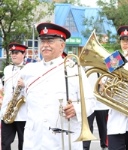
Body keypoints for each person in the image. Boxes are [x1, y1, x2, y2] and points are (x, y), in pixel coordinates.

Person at [19, 22, 96, 150]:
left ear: (62, 45)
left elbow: (91, 101)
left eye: (50, 41)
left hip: (63, 141)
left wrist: (76, 109)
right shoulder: (28, 70)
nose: (45, 45)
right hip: (34, 140)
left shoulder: (74, 69)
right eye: (43, 41)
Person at [1, 43, 27, 150]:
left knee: (24, 143)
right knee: (5, 143)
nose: (13, 55)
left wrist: (25, 85)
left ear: (23, 54)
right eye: (12, 53)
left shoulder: (29, 69)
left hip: (23, 114)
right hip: (8, 112)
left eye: (16, 53)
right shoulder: (7, 69)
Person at [83, 73, 109, 150]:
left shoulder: (110, 60)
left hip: (103, 101)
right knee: (87, 128)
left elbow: (117, 68)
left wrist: (105, 82)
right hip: (88, 100)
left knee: (104, 130)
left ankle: (104, 146)